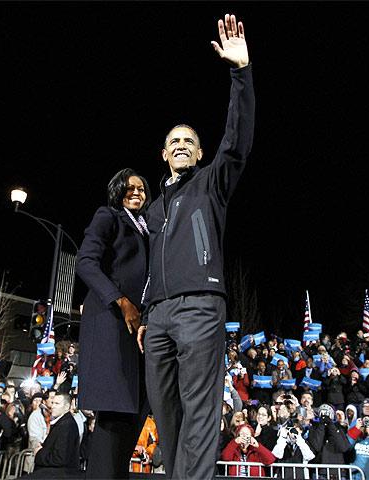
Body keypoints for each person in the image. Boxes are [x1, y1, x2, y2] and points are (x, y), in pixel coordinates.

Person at [138, 12, 255, 478]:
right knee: (167, 421)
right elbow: (141, 264)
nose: (183, 144)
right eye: (174, 141)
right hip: (159, 317)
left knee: (201, 414)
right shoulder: (152, 209)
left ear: (200, 153)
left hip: (200, 310)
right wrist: (143, 311)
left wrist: (240, 73)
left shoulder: (211, 183)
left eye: (190, 140)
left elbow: (237, 142)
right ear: (164, 154)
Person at [76, 167, 151, 478]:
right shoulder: (108, 216)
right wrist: (120, 301)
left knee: (134, 415)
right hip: (111, 322)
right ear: (117, 191)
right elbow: (85, 262)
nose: (136, 193)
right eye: (129, 188)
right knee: (114, 414)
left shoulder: (148, 227)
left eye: (142, 189)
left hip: (138, 330)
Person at [31, 393, 80, 479]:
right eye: (53, 403)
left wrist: (39, 453)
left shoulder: (67, 425)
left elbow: (60, 458)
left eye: (57, 404)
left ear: (66, 406)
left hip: (57, 475)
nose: (53, 406)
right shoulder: (62, 423)